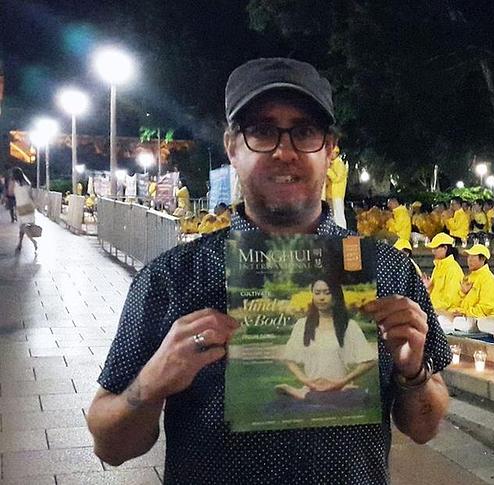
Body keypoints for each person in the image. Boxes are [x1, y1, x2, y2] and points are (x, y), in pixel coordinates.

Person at [87, 58, 451, 484]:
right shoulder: (172, 278)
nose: (284, 151)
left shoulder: (388, 272)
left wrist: (413, 372)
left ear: (329, 149)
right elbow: (110, 447)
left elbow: (424, 428)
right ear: (232, 147)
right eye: (261, 131)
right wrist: (151, 383)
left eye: (305, 131)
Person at [274, 280, 378, 401]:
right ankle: (308, 394)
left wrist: (342, 382)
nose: (321, 298)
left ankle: (302, 395)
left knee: (357, 396)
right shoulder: (302, 325)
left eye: (327, 293)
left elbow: (370, 361)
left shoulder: (349, 326)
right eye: (317, 293)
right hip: (313, 387)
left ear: (336, 295)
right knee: (340, 399)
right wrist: (306, 381)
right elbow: (289, 359)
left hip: (340, 386)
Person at [446, 244, 494, 333]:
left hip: (484, 322)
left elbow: (485, 308)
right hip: (469, 318)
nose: (469, 260)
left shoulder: (488, 279)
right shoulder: (470, 277)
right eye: (469, 257)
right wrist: (463, 293)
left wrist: (464, 313)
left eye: (473, 257)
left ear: (483, 259)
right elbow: (460, 303)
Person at [424, 233, 464, 331]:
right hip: (436, 310)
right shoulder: (437, 267)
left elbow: (451, 299)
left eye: (435, 248)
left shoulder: (453, 268)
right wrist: (428, 288)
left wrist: (432, 308)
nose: (433, 251)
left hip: (447, 313)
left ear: (445, 248)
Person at [11, 168, 38, 252]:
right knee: (25, 226)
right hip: (29, 206)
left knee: (23, 226)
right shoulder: (28, 183)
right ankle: (20, 244)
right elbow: (31, 196)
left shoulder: (14, 183)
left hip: (21, 207)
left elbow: (10, 193)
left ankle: (32, 241)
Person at [325, 148, 348, 228]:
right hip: (330, 195)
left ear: (336, 153)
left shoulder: (340, 164)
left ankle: (342, 231)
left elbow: (337, 178)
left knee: (339, 215)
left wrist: (328, 170)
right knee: (333, 216)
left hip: (337, 194)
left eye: (332, 153)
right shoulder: (332, 164)